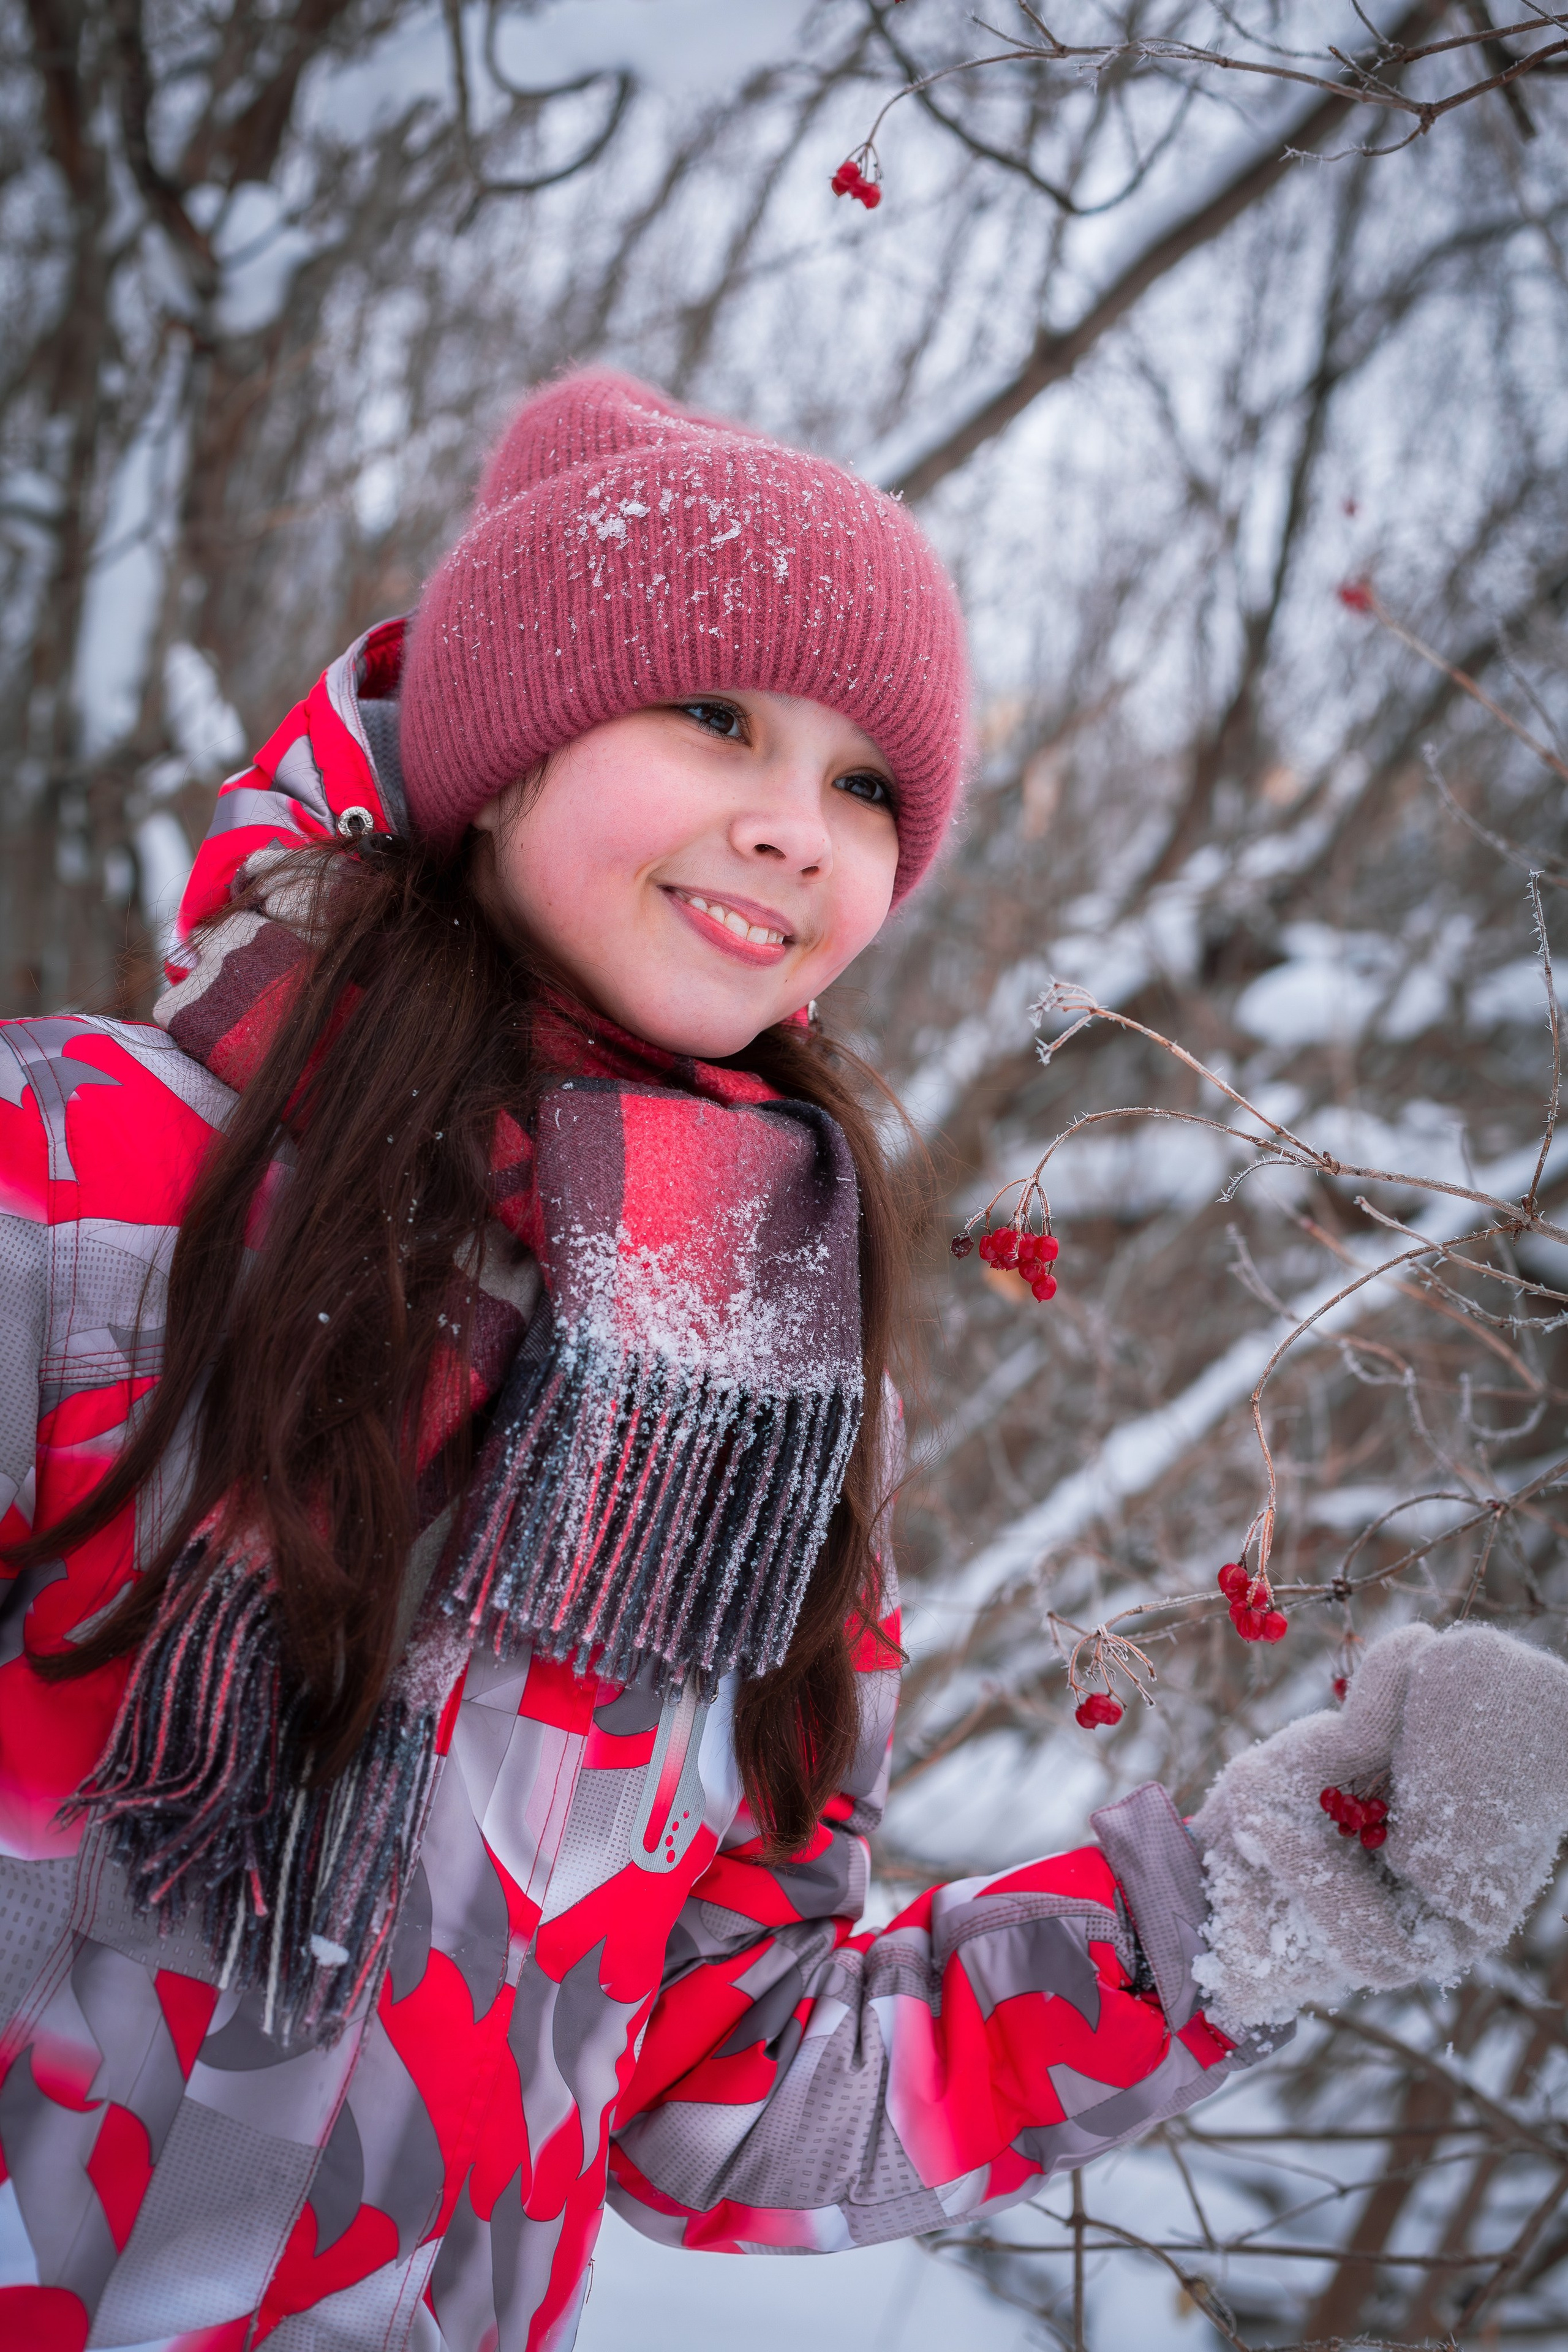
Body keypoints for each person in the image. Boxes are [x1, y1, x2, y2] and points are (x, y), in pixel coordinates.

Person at [2, 371, 1565, 2352]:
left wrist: (1270, 1890)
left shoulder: (782, 1414)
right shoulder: (79, 1182)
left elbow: (732, 2080)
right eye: (718, 715)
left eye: (868, 787)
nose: (793, 825)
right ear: (507, 751)